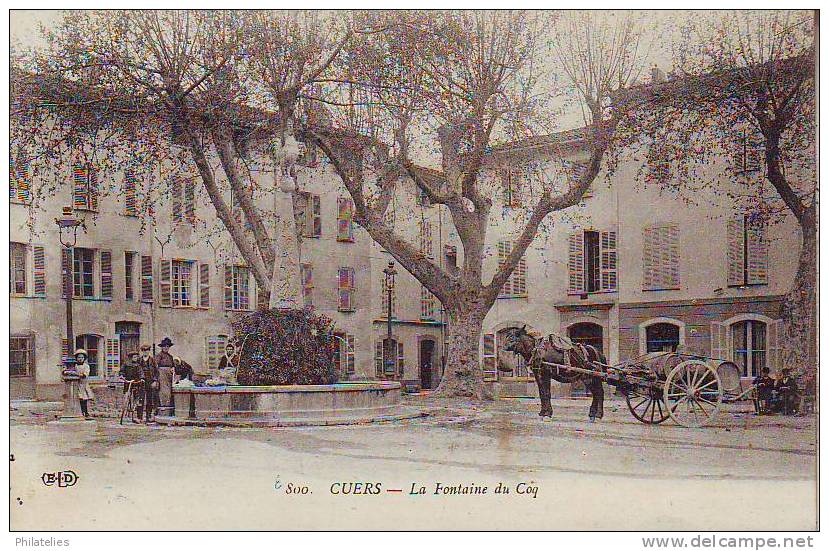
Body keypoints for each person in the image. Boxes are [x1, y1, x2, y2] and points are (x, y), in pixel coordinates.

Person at [119, 351, 144, 423]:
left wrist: (142, 378)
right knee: (126, 394)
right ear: (131, 358)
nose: (136, 358)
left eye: (137, 357)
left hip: (136, 382)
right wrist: (121, 375)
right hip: (128, 382)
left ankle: (135, 409)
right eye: (134, 357)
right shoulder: (126, 364)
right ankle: (125, 405)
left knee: (137, 397)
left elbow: (141, 372)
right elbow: (122, 371)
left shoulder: (138, 365)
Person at [155, 337, 176, 416]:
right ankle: (163, 409)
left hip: (169, 375)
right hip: (162, 375)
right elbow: (156, 366)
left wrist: (172, 369)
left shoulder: (170, 356)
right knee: (164, 392)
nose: (166, 348)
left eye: (167, 346)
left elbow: (173, 366)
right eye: (164, 346)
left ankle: (168, 409)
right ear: (162, 347)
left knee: (170, 392)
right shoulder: (159, 356)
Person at [138, 344, 159, 422]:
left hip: (150, 381)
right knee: (140, 399)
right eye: (143, 350)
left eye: (147, 350)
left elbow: (157, 372)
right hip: (141, 381)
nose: (145, 352)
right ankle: (139, 417)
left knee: (149, 399)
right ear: (142, 351)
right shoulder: (139, 360)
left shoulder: (153, 360)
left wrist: (155, 381)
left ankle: (148, 416)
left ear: (149, 351)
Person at [74, 349, 95, 419]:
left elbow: (85, 374)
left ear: (84, 358)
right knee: (78, 398)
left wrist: (81, 375)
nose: (80, 359)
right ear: (76, 358)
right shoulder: (75, 366)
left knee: (84, 398)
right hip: (76, 384)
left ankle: (85, 412)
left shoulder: (86, 366)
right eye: (79, 357)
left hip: (83, 384)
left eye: (82, 357)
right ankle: (79, 412)